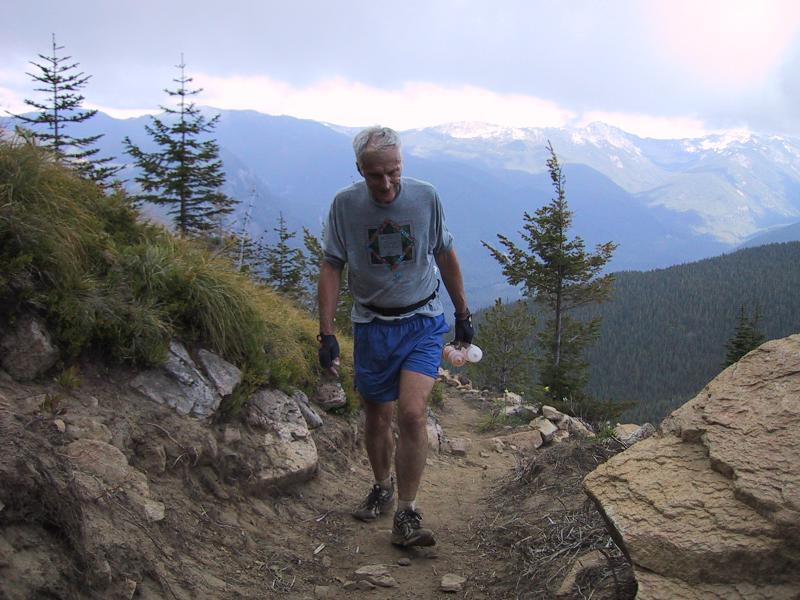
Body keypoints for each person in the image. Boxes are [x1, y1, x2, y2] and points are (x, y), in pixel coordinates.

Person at [317, 126, 473, 548]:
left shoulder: (426, 198)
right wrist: (326, 332)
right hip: (372, 326)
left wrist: (462, 313)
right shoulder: (345, 206)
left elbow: (444, 253)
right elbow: (332, 265)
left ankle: (407, 511)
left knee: (411, 414)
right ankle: (382, 485)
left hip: (423, 320)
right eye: (375, 175)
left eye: (394, 172)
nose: (386, 183)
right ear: (359, 170)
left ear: (402, 165)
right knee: (377, 416)